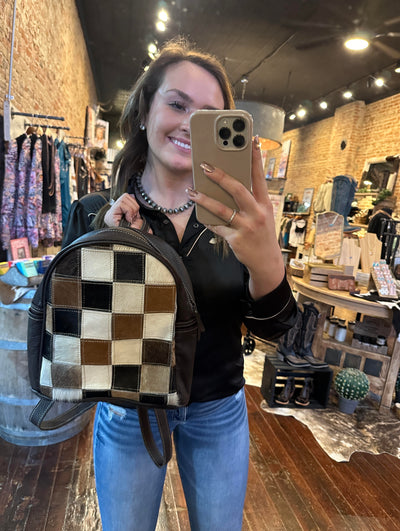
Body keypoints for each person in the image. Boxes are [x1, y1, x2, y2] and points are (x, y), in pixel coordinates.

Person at [65, 37, 297, 531]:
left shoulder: (240, 221)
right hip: (129, 412)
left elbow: (276, 333)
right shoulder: (94, 214)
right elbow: (73, 336)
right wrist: (108, 247)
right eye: (178, 104)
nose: (192, 125)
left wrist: (266, 258)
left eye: (211, 116)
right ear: (146, 111)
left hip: (219, 411)